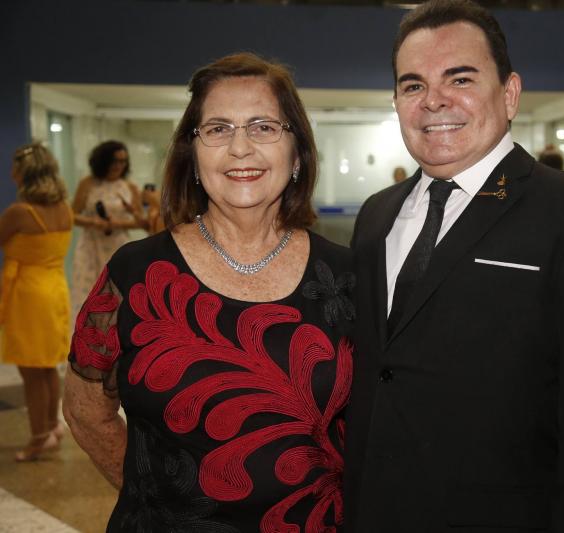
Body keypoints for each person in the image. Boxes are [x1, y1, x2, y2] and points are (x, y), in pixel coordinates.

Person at [344, 1, 564, 530]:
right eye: (413, 85)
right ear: (396, 101)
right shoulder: (377, 215)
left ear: (510, 93)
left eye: (460, 78)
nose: (434, 100)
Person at [62, 53, 354, 531]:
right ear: (193, 157)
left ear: (297, 154)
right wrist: (154, 502)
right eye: (218, 129)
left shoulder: (348, 277)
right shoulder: (135, 273)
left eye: (263, 127)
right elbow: (85, 412)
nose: (240, 147)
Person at [0, 143, 72, 461]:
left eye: (14, 168)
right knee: (46, 366)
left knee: (31, 370)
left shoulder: (21, 212)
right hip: (55, 288)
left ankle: (38, 438)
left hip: (29, 294)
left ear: (23, 173)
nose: (11, 173)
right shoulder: (64, 208)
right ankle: (51, 427)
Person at [71, 140, 145, 321]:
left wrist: (117, 223)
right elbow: (72, 215)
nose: (119, 166)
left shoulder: (129, 187)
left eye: (123, 161)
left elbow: (141, 223)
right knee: (88, 292)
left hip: (118, 245)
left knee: (117, 294)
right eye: (114, 161)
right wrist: (92, 222)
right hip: (91, 245)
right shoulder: (88, 183)